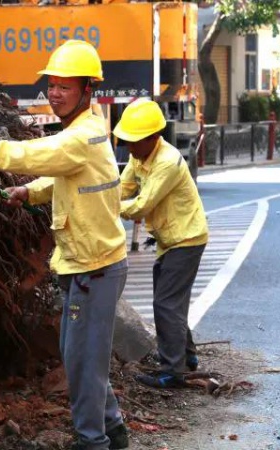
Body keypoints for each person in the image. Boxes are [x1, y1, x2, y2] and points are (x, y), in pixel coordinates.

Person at [0, 40, 130, 450]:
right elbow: (64, 176)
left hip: (95, 268)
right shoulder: (85, 131)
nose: (54, 93)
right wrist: (28, 193)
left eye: (64, 86)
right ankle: (115, 430)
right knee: (80, 356)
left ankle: (93, 442)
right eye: (51, 85)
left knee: (83, 361)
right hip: (83, 263)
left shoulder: (79, 138)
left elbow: (32, 153)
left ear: (87, 91)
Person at [113, 98, 209, 389]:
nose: (129, 147)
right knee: (171, 302)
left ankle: (173, 371)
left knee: (166, 304)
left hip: (186, 238)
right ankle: (187, 357)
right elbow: (123, 187)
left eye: (134, 141)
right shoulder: (139, 156)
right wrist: (100, 198)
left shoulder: (166, 162)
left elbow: (142, 205)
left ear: (154, 137)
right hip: (170, 238)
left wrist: (105, 210)